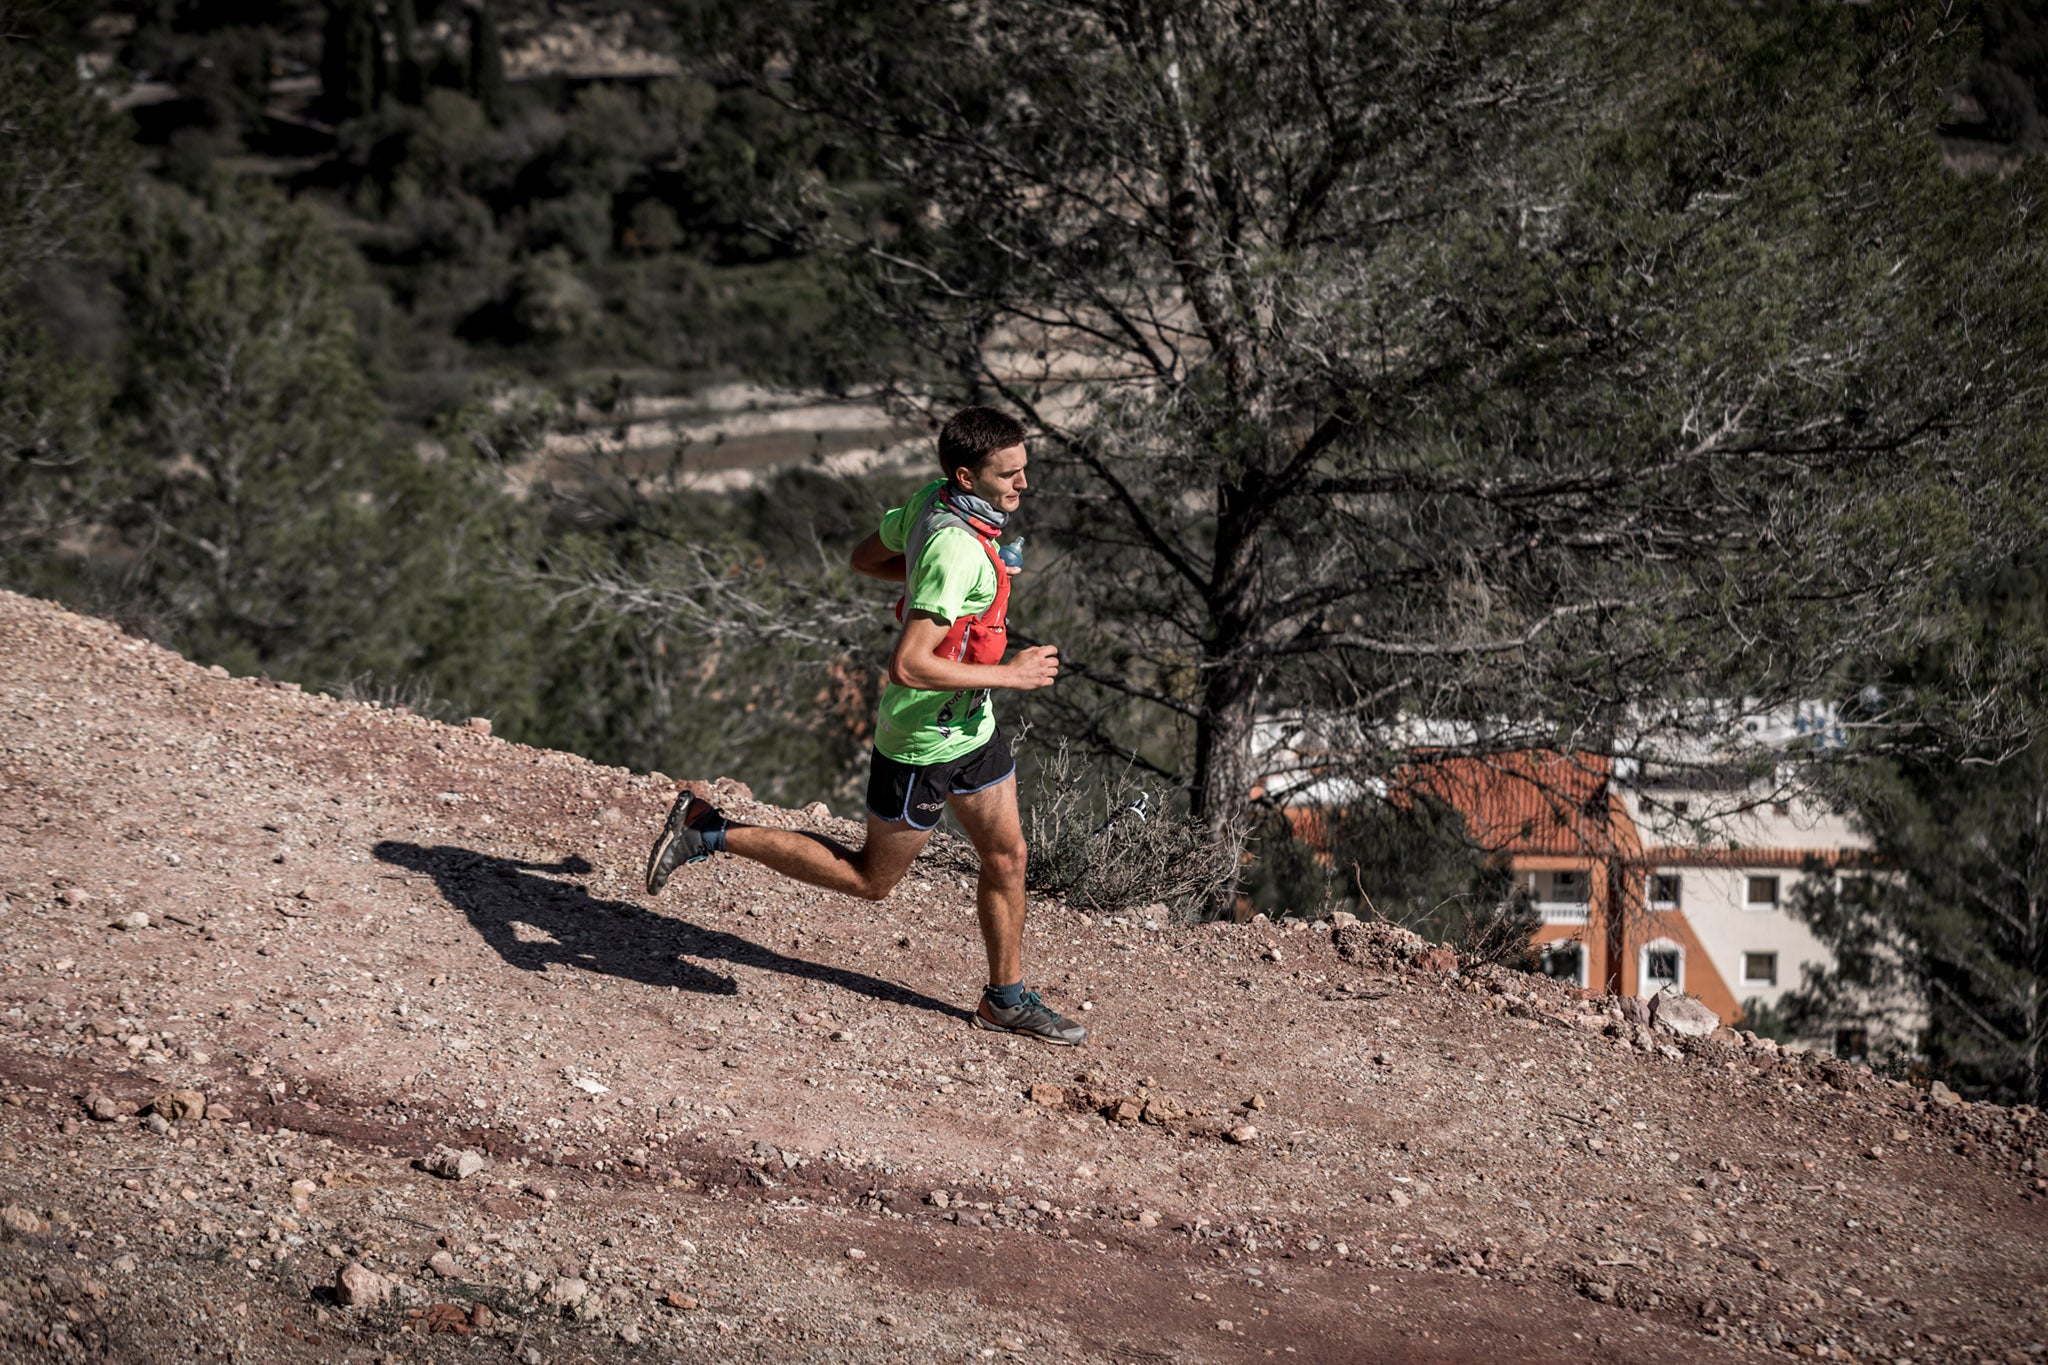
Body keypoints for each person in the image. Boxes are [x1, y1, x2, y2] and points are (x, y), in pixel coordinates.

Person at [643, 405, 1086, 1046]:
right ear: (967, 476)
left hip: (971, 730)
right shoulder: (956, 549)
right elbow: (908, 664)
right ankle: (707, 829)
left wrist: (932, 590)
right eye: (1009, 475)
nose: (1023, 486)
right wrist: (1011, 674)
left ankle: (1005, 999)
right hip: (921, 743)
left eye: (1025, 470)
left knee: (1007, 855)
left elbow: (864, 558)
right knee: (870, 880)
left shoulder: (933, 501)